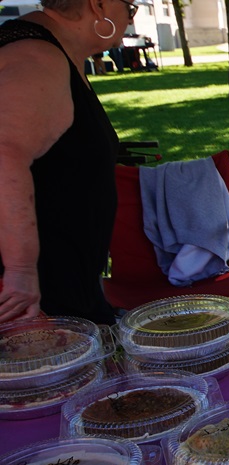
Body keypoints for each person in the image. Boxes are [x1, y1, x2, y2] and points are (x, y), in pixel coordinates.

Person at [0, 0, 132, 325]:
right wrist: (20, 271)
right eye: (130, 7)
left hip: (67, 281)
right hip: (34, 297)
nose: (130, 19)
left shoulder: (54, 50)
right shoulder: (37, 57)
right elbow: (4, 154)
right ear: (99, 5)